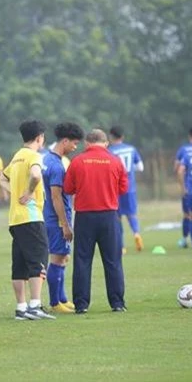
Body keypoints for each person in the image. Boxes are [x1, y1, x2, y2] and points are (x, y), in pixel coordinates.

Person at [64, 129, 128, 314]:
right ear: (106, 143)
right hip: (109, 216)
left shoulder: (77, 161)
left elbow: (68, 188)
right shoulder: (115, 161)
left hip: (85, 217)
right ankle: (117, 303)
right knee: (113, 260)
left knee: (83, 260)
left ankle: (81, 304)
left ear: (87, 143)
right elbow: (123, 187)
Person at [0, 120, 55, 320]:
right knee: (39, 260)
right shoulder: (34, 156)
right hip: (31, 217)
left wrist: (15, 193)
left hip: (15, 219)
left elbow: (1, 179)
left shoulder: (17, 157)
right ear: (39, 137)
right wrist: (29, 192)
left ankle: (21, 308)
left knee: (19, 264)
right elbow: (36, 175)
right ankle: (35, 305)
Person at [42, 122, 84, 313]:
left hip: (54, 217)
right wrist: (65, 224)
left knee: (63, 257)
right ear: (65, 141)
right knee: (58, 258)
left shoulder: (50, 159)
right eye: (74, 143)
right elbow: (56, 196)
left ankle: (62, 298)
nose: (75, 147)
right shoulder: (57, 166)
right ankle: (54, 303)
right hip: (57, 218)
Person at [108, 126, 145, 253]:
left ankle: (122, 246)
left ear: (111, 137)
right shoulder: (131, 149)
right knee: (131, 214)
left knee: (117, 218)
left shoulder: (110, 151)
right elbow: (140, 167)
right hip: (130, 188)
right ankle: (136, 233)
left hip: (115, 189)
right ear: (122, 136)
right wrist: (129, 171)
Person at [174, 127, 192, 248]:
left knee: (188, 215)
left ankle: (185, 240)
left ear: (189, 136)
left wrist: (182, 186)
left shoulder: (183, 149)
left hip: (189, 187)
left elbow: (177, 168)